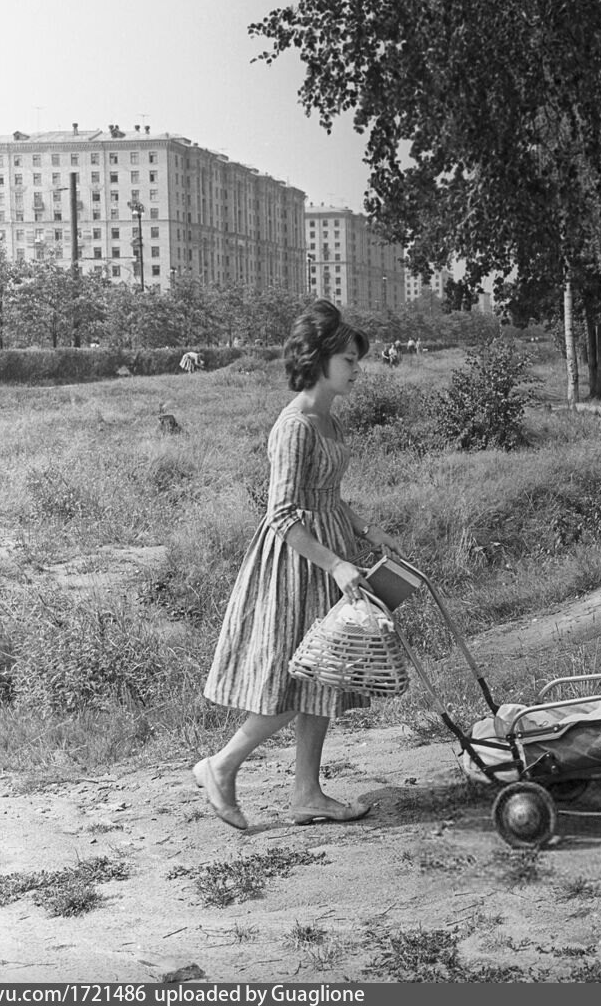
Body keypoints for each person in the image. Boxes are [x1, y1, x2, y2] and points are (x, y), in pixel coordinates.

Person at [194, 299, 403, 830]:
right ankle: (221, 767)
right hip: (297, 562)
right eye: (350, 361)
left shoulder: (328, 420)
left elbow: (328, 494)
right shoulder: (295, 427)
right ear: (321, 359)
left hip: (331, 551)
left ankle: (307, 792)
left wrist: (366, 530)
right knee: (293, 679)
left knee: (323, 678)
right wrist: (335, 564)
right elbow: (283, 514)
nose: (357, 370)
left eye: (358, 362)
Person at [457, 605, 601, 782]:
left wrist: (576, 718)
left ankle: (495, 746)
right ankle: (495, 730)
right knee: (529, 717)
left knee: (535, 723)